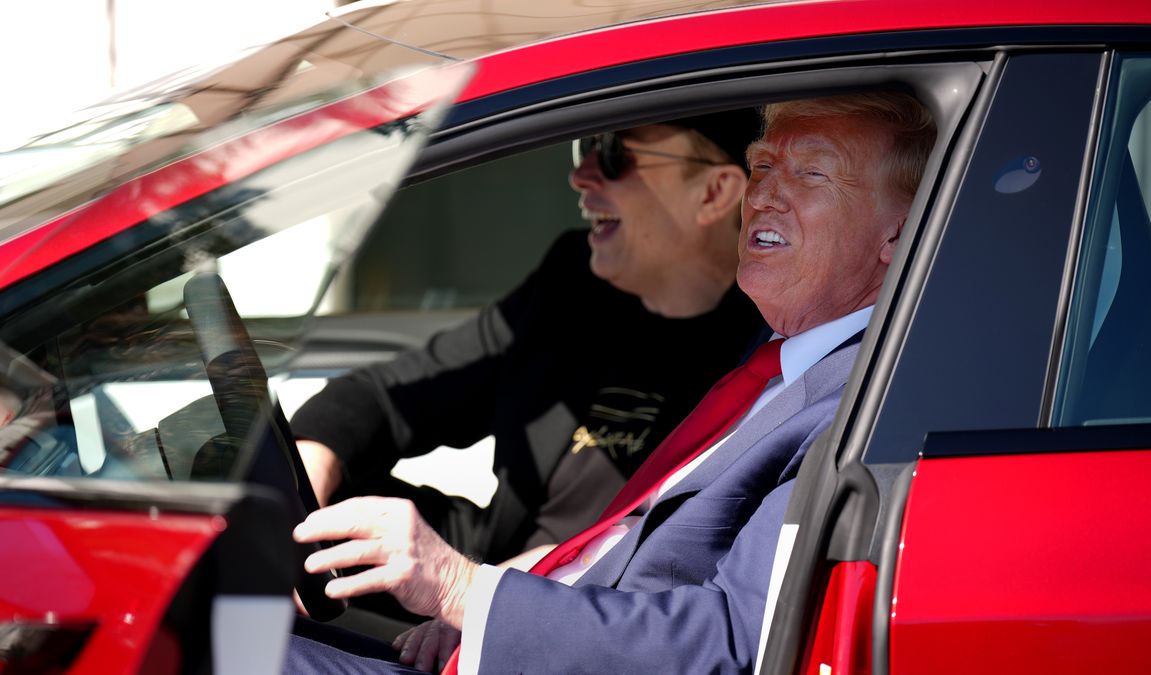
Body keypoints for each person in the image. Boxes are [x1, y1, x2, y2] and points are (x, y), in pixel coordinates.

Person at [286, 91, 936, 674]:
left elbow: (734, 643)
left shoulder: (856, 402)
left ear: (898, 233)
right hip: (519, 612)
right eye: (762, 166)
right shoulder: (772, 355)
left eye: (811, 172)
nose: (762, 194)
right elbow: (396, 396)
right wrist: (483, 594)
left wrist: (464, 590)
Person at [290, 110, 767, 582]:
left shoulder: (768, 345)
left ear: (713, 192)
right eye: (587, 146)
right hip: (485, 570)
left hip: (594, 611)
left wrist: (536, 579)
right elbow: (392, 396)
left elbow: (697, 565)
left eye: (613, 153)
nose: (580, 175)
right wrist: (310, 467)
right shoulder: (571, 285)